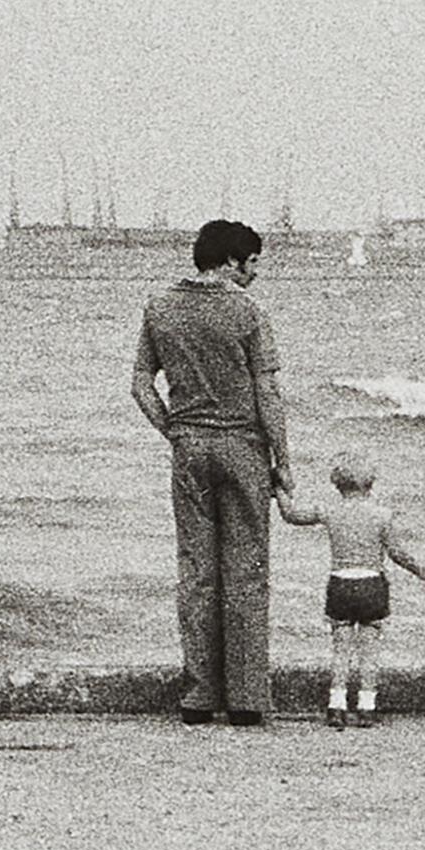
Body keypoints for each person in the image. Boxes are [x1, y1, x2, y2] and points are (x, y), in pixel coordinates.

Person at [130, 219, 291, 726]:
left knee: (197, 571)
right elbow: (268, 392)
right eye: (254, 263)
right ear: (231, 261)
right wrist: (283, 462)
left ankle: (199, 695)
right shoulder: (248, 312)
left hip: (189, 447)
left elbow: (140, 385)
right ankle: (245, 698)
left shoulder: (159, 306)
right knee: (245, 572)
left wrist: (175, 431)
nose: (256, 273)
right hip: (242, 446)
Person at [279, 453, 425, 717]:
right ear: (370, 483)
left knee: (341, 650)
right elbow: (397, 553)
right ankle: (366, 706)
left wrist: (278, 489)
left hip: (340, 583)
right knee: (369, 651)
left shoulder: (329, 510)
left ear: (337, 483)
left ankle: (336, 705)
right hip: (372, 585)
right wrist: (420, 570)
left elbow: (291, 515)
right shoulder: (382, 515)